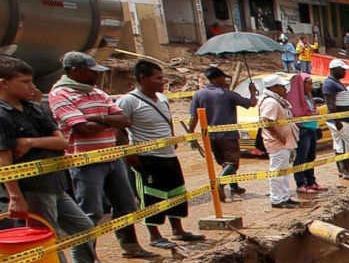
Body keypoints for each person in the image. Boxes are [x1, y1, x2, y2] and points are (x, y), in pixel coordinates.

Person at [0, 55, 99, 263]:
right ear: (4, 83)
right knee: (50, 239)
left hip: (55, 183)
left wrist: (31, 141)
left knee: (83, 227)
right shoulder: (2, 117)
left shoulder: (33, 108)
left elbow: (62, 141)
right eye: (24, 82)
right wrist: (15, 196)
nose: (31, 87)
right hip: (32, 189)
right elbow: (4, 160)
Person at [49, 52, 156, 261]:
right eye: (91, 72)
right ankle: (90, 259)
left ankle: (130, 246)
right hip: (85, 161)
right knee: (91, 212)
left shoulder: (97, 92)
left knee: (125, 205)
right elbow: (83, 128)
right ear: (75, 71)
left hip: (113, 158)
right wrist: (107, 120)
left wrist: (95, 117)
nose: (96, 76)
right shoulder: (60, 95)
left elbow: (124, 120)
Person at [115, 59, 204, 249]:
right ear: (142, 79)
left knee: (177, 192)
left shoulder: (162, 99)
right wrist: (129, 153)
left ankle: (178, 230)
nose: (162, 82)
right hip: (147, 158)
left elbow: (168, 120)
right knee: (151, 196)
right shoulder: (129, 101)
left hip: (168, 155)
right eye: (158, 78)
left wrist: (171, 138)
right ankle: (155, 236)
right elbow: (119, 130)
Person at [186, 67, 257, 200]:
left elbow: (193, 117)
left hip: (211, 136)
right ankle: (220, 184)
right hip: (228, 135)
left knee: (224, 162)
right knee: (232, 162)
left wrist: (191, 135)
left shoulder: (199, 94)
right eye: (223, 78)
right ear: (218, 78)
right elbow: (252, 104)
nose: (225, 80)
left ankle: (234, 187)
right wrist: (252, 92)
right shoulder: (227, 94)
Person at [257, 75, 299, 208]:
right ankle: (276, 199)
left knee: (284, 172)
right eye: (282, 87)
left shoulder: (277, 101)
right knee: (277, 172)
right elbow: (266, 122)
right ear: (274, 88)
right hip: (277, 143)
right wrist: (279, 137)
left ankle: (285, 196)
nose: (285, 89)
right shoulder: (271, 102)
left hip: (284, 142)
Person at [285, 68, 323, 195]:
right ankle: (300, 183)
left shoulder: (309, 97)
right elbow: (296, 114)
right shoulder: (294, 98)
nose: (311, 86)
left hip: (312, 128)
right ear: (301, 84)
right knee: (301, 157)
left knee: (311, 157)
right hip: (302, 129)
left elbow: (312, 111)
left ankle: (311, 181)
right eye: (309, 83)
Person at [322, 60, 349, 179]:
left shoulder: (336, 83)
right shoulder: (329, 84)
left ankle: (343, 171)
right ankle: (346, 172)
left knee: (341, 146)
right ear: (334, 69)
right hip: (340, 120)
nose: (344, 72)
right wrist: (337, 121)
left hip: (344, 119)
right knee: (343, 146)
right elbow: (330, 104)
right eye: (342, 70)